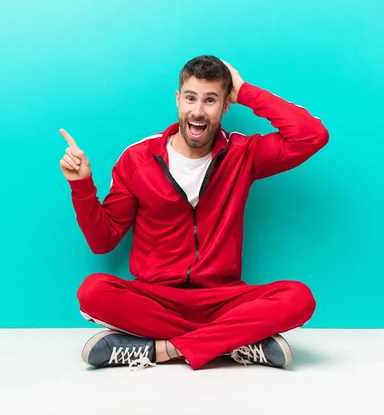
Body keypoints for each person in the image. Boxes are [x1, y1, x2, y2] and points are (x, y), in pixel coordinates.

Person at [58, 56, 328, 371]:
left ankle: (159, 351)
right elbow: (103, 241)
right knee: (93, 292)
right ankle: (236, 343)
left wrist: (244, 91)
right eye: (190, 98)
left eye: (210, 100)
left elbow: (311, 136)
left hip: (223, 300)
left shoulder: (244, 154)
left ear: (226, 105)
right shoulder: (136, 159)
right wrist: (82, 188)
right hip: (157, 299)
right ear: (178, 99)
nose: (198, 111)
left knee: (299, 298)